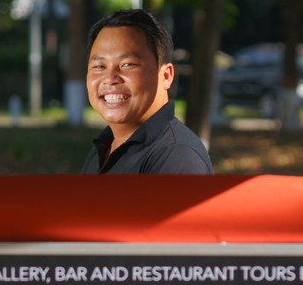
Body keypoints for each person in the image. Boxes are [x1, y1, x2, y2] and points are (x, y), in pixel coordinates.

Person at [81, 9, 212, 174]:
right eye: (99, 66)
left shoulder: (176, 156)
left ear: (166, 76)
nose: (110, 78)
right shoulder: (104, 148)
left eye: (127, 64)